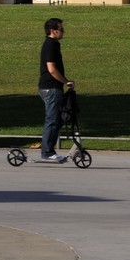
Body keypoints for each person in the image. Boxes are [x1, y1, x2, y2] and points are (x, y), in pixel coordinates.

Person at [38, 17, 74, 163]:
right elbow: (51, 69)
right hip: (50, 88)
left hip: (54, 88)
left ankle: (49, 150)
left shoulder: (54, 44)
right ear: (53, 31)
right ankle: (47, 152)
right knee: (52, 120)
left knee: (57, 120)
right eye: (61, 29)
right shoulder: (50, 45)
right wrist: (66, 82)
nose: (63, 32)